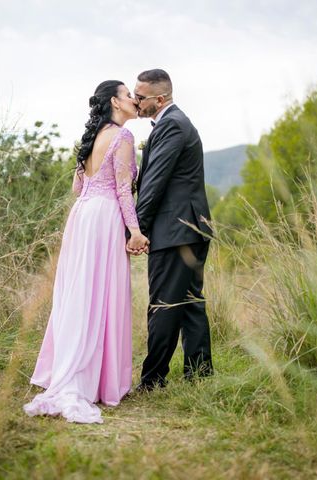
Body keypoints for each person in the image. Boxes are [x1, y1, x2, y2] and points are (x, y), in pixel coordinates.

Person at [23, 80, 149, 424]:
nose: (134, 100)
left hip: (82, 217)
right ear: (115, 101)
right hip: (105, 217)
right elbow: (124, 190)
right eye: (128, 95)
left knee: (81, 292)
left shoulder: (91, 138)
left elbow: (78, 186)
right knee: (102, 293)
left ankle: (76, 370)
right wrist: (135, 231)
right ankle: (94, 380)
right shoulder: (123, 138)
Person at [131, 68, 214, 391]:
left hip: (175, 230)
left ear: (159, 99)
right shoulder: (172, 123)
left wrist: (135, 229)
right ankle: (199, 374)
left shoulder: (172, 126)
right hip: (189, 228)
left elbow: (154, 183)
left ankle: (153, 379)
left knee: (164, 304)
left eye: (141, 97)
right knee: (189, 302)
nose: (136, 102)